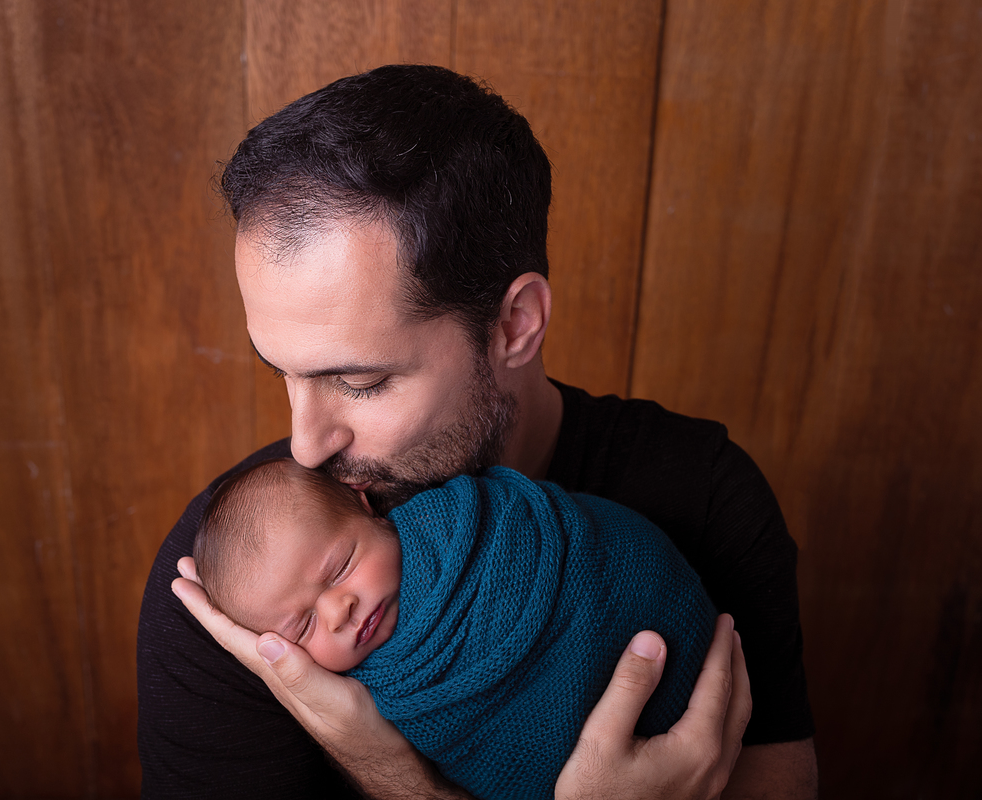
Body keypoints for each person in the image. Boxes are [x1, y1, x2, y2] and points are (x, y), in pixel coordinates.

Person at [138, 64, 817, 799]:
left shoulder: (705, 492)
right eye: (283, 373)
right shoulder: (246, 587)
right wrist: (387, 771)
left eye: (359, 382)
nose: (306, 445)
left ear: (515, 324)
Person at [192, 457, 718, 800]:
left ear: (367, 505)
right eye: (304, 626)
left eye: (341, 568)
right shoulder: (359, 690)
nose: (339, 612)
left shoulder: (469, 525)